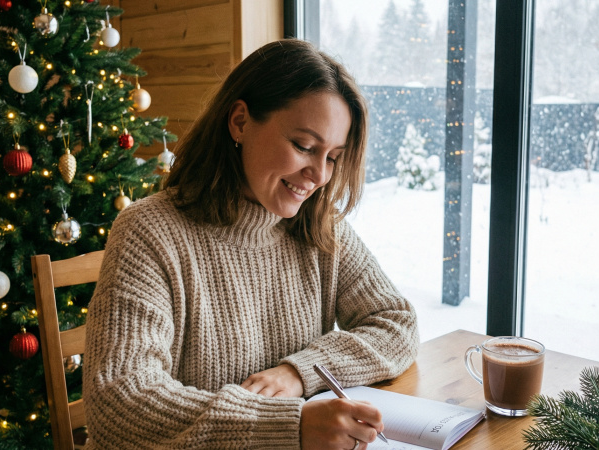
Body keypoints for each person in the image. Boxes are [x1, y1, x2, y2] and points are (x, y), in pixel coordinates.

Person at [83, 39, 420, 449]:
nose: (318, 175)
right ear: (240, 122)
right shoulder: (149, 231)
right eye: (304, 146)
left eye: (332, 157)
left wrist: (299, 372)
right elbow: (119, 402)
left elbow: (397, 323)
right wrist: (289, 427)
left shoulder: (319, 226)